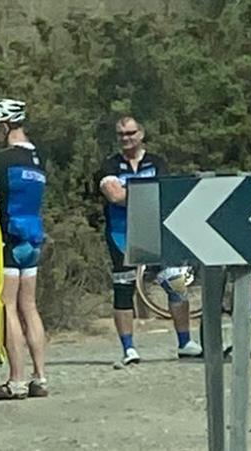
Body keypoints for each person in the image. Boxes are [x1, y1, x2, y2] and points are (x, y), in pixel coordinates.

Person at [97, 116, 203, 366]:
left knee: (175, 283)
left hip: (156, 231)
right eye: (121, 134)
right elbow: (114, 196)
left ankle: (185, 342)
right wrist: (146, 194)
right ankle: (128, 348)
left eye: (131, 133)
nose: (126, 138)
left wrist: (131, 193)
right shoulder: (109, 164)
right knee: (124, 290)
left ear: (141, 134)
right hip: (121, 234)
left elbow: (164, 194)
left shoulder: (157, 162)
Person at [0, 98, 50, 400]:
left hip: (10, 237)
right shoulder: (38, 158)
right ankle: (40, 377)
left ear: (6, 127)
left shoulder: (2, 160)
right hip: (33, 238)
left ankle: (17, 380)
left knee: (8, 305)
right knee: (29, 306)